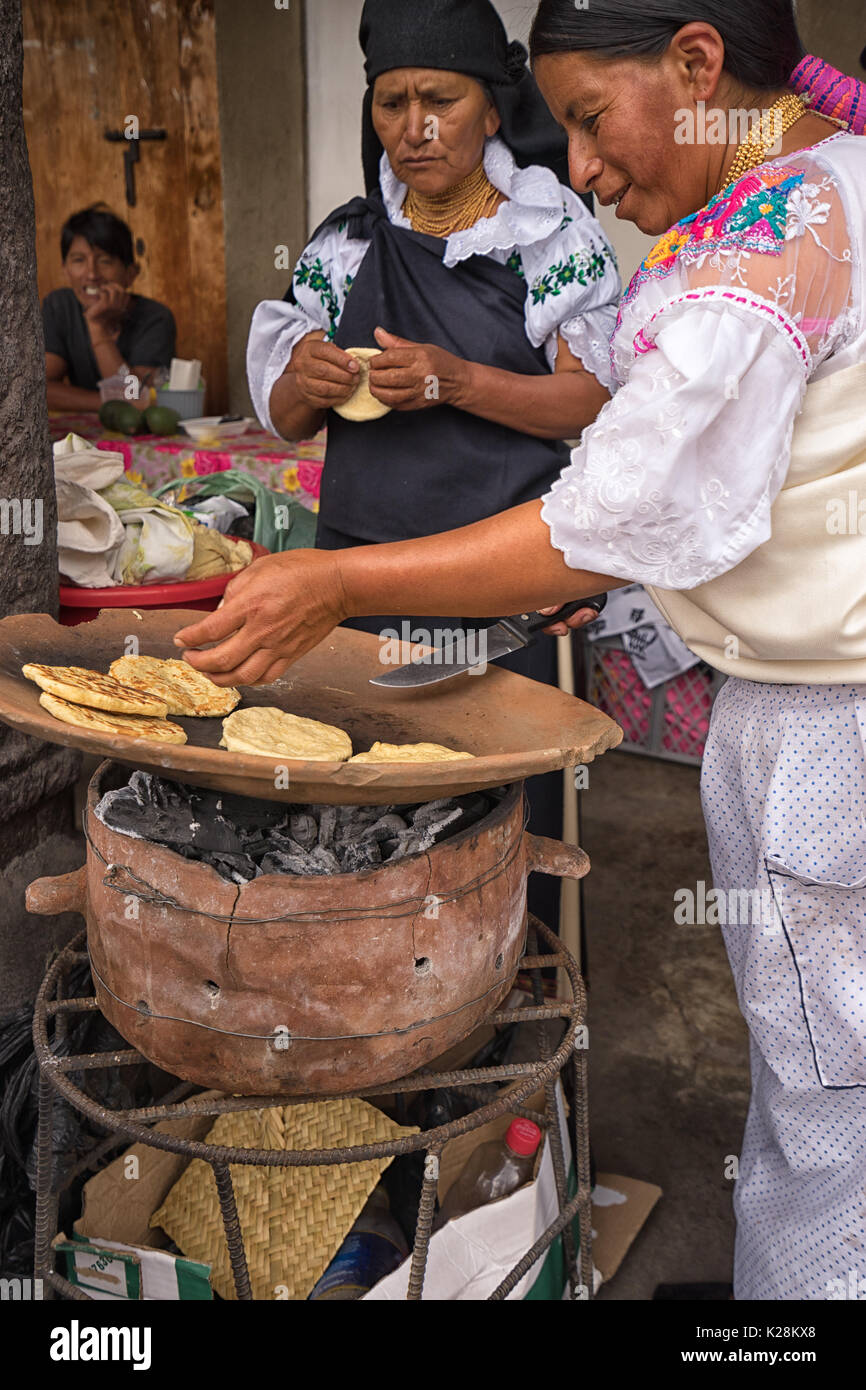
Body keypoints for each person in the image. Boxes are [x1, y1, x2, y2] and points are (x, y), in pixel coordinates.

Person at [179, 0, 866, 1302]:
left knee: (836, 1101)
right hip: (795, 706)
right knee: (817, 1067)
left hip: (830, 725)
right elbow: (677, 416)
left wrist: (336, 579)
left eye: (595, 123)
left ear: (697, 63)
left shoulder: (781, 234)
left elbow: (605, 512)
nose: (589, 170)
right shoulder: (799, 194)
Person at [247, 0, 621, 925]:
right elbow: (288, 419)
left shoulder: (550, 237)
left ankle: (506, 1012)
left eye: (440, 100)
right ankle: (369, 1016)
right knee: (355, 826)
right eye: (391, 102)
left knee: (495, 838)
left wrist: (459, 382)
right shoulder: (343, 243)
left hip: (497, 587)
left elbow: (592, 399)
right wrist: (309, 372)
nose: (413, 128)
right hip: (352, 592)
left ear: (493, 108)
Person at [43, 204, 176, 412]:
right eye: (79, 260)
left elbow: (135, 397)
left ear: (131, 273)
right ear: (65, 270)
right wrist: (108, 403)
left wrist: (98, 330)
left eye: (105, 261)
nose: (91, 274)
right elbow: (42, 390)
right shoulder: (58, 307)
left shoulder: (155, 318)